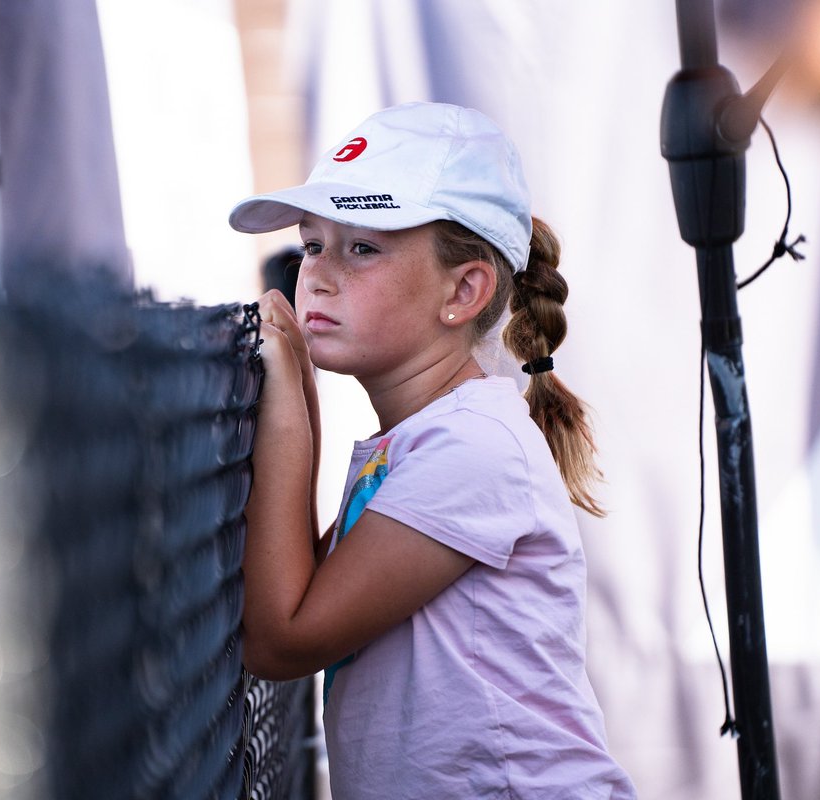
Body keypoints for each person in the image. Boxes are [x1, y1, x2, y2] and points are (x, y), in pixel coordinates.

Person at [228, 102, 636, 798]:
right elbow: (302, 590)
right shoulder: (425, 440)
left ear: (464, 290)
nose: (317, 275)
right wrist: (297, 393)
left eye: (363, 247)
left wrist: (286, 416)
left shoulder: (472, 448)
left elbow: (282, 638)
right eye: (312, 244)